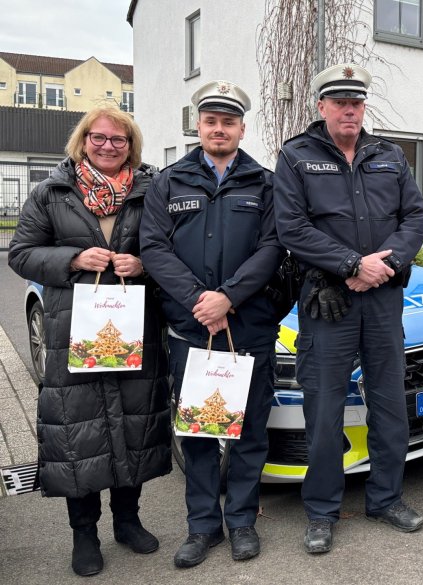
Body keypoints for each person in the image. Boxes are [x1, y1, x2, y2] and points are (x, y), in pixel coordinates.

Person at [8, 108, 170, 577]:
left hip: (132, 326)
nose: (108, 146)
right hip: (72, 331)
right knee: (80, 433)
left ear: (131, 146)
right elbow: (20, 254)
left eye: (119, 140)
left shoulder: (150, 190)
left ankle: (128, 520)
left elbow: (168, 249)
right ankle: (84, 533)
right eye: (99, 138)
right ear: (83, 141)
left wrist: (141, 265)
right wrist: (74, 257)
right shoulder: (52, 191)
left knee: (134, 426)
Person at [274, 63, 423, 554]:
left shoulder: (389, 155)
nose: (349, 110)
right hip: (328, 302)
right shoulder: (296, 156)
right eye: (340, 102)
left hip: (382, 301)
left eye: (356, 102)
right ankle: (321, 511)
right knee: (324, 412)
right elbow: (291, 228)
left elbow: (415, 216)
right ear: (321, 106)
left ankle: (386, 498)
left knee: (389, 406)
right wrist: (350, 264)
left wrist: (388, 264)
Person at [140, 80, 285, 567]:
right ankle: (203, 527)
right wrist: (199, 300)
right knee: (199, 433)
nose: (219, 129)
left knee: (248, 432)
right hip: (192, 330)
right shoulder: (169, 181)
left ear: (242, 128)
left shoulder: (264, 183)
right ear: (198, 126)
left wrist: (228, 297)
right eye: (210, 121)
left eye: (228, 121)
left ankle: (242, 521)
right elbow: (154, 249)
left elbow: (272, 248)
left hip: (248, 329)